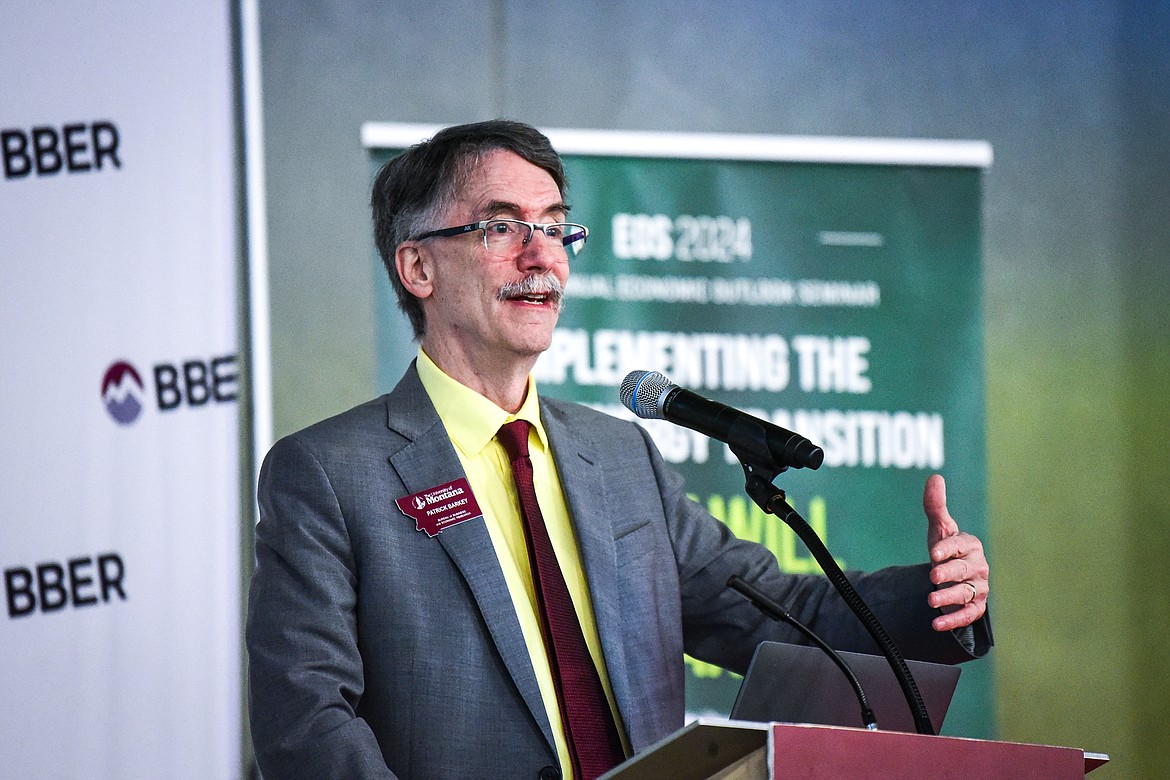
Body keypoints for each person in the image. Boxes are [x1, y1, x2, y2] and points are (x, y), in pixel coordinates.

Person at [246, 119, 991, 780]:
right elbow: (306, 723)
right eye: (500, 228)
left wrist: (935, 599)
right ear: (419, 268)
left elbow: (775, 614)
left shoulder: (620, 457)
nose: (541, 256)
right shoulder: (329, 473)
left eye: (555, 227)